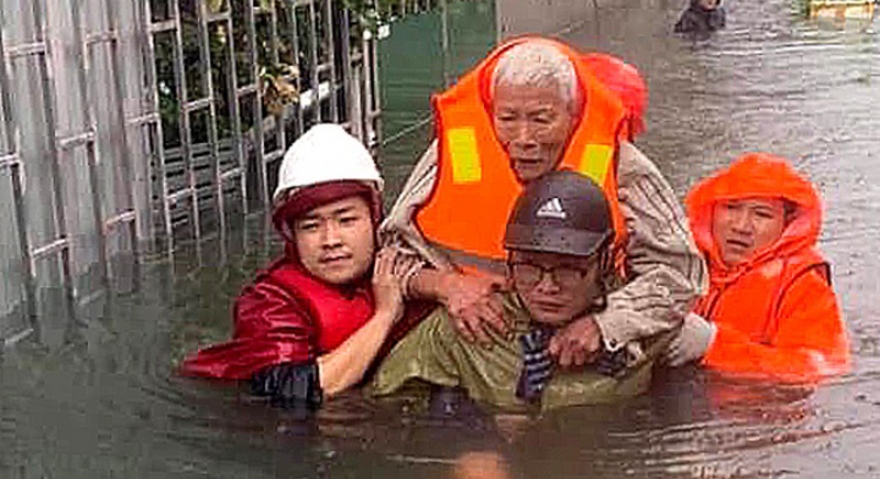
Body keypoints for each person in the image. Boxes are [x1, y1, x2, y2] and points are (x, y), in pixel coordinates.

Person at [382, 37, 705, 376]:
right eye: (508, 119)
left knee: (696, 337)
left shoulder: (620, 164)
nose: (523, 138)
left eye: (541, 119)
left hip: (584, 319)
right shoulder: (453, 153)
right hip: (475, 326)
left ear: (573, 113)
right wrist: (446, 286)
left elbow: (682, 274)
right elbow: (388, 257)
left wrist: (607, 324)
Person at [370, 171, 674, 412]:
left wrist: (609, 326)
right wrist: (466, 431)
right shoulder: (466, 328)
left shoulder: (648, 327)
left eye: (567, 269)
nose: (546, 286)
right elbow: (384, 410)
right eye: (529, 268)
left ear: (604, 261)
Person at [180, 124, 430, 410]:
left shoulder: (401, 266)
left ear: (375, 219)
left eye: (346, 220)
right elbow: (293, 393)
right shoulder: (268, 303)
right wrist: (384, 317)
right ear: (292, 236)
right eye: (311, 226)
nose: (331, 240)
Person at [665, 153, 851, 382]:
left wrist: (714, 345)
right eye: (731, 208)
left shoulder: (803, 287)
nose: (742, 226)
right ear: (711, 212)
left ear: (787, 224)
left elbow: (822, 367)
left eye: (762, 214)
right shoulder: (675, 258)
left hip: (749, 410)